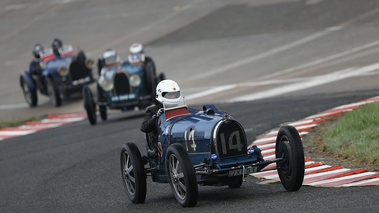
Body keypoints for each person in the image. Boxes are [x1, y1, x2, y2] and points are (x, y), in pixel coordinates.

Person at [140, 79, 182, 157]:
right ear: (161, 95)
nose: (172, 97)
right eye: (169, 95)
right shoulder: (152, 110)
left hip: (178, 139)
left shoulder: (182, 108)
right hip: (160, 144)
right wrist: (155, 117)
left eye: (174, 94)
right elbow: (144, 128)